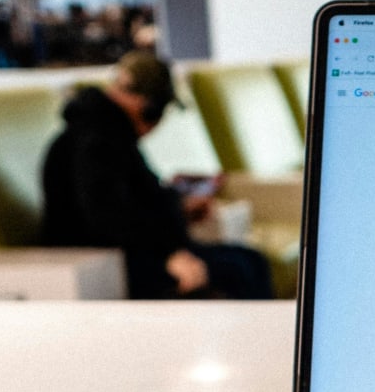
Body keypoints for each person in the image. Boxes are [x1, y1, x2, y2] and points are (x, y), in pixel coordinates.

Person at [40, 51, 271, 300]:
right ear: (149, 107)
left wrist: (180, 209)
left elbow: (133, 202)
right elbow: (106, 219)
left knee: (250, 259)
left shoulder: (111, 133)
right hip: (118, 261)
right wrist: (168, 256)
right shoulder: (96, 141)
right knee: (240, 269)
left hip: (138, 252)